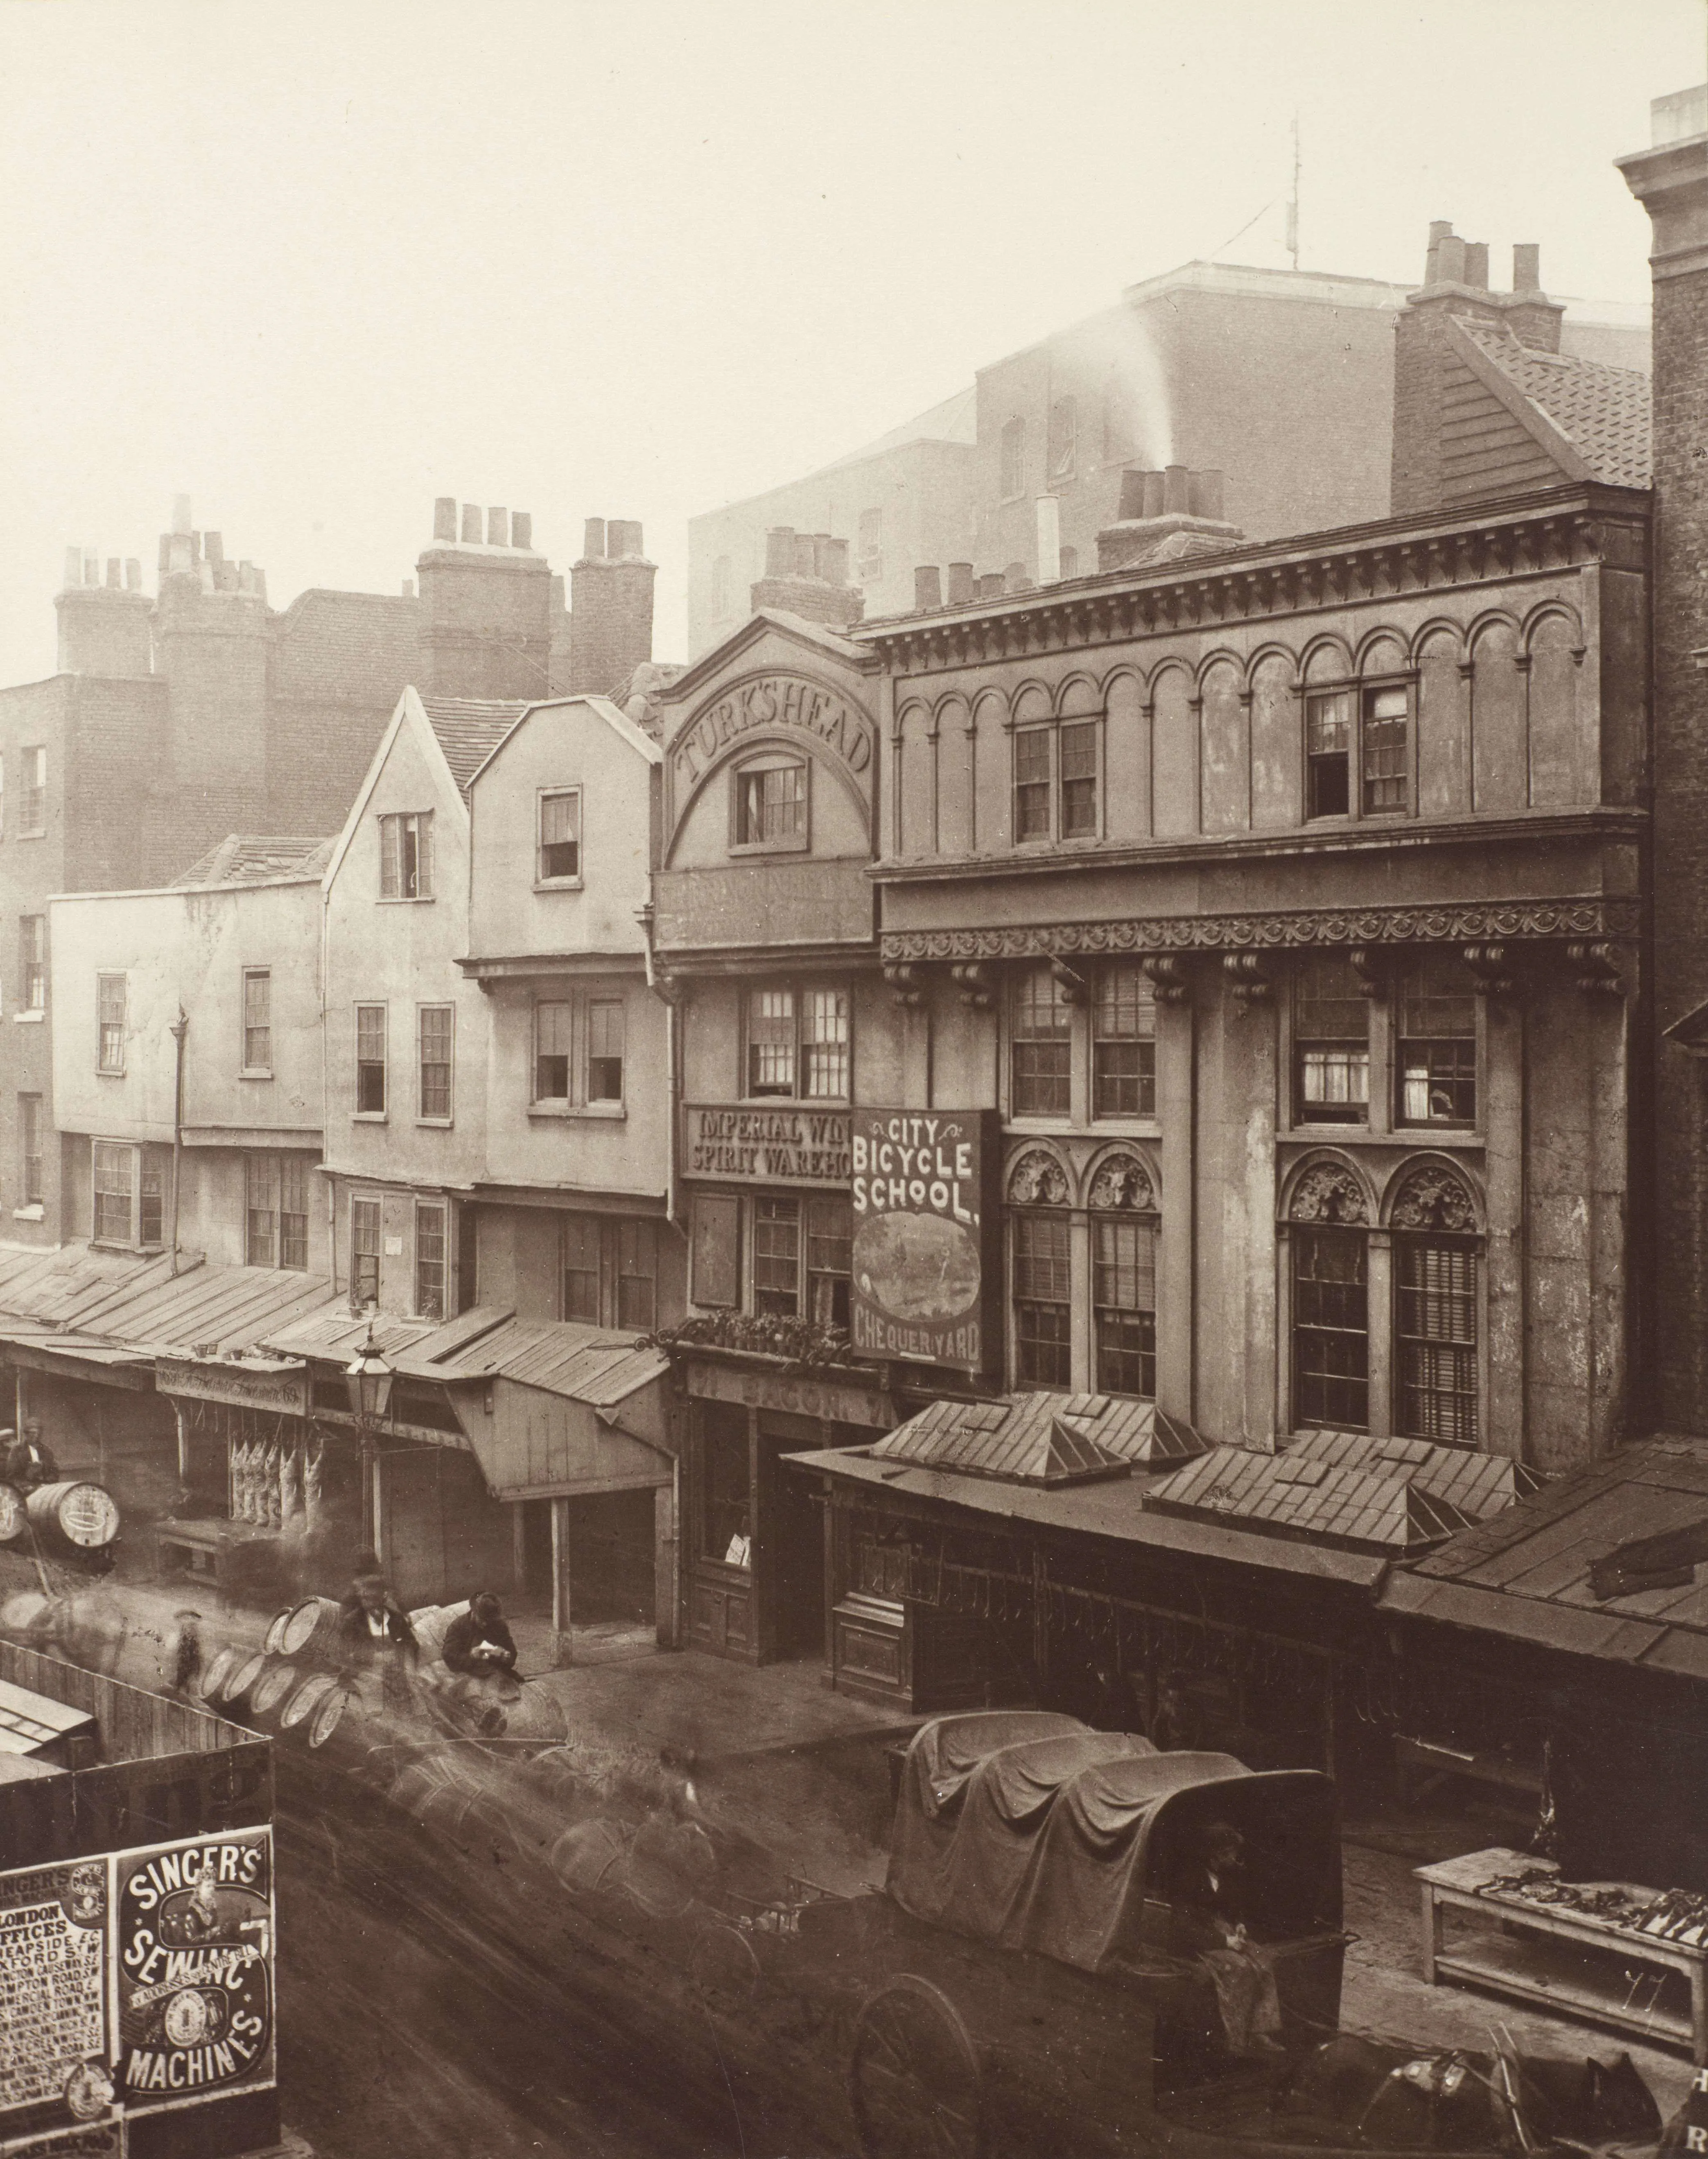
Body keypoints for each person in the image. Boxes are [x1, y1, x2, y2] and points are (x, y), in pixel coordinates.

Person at [1169, 1820, 1285, 2059]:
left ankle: (1259, 2031)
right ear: (1217, 1855)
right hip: (1196, 1944)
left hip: (1223, 1934)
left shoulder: (1226, 1877)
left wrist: (1239, 1926)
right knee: (1240, 1968)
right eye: (1232, 1853)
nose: (1235, 1858)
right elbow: (1183, 1926)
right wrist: (1224, 1943)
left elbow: (1233, 1910)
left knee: (1264, 1959)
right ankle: (1236, 2039)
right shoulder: (1189, 1878)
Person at [338, 1555, 418, 1714]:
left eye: (374, 1599)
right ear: (361, 1597)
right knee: (375, 1700)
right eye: (365, 1598)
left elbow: (410, 1646)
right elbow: (345, 1653)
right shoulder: (352, 1621)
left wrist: (408, 1668)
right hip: (366, 1672)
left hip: (397, 1672)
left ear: (383, 1597)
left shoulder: (395, 1619)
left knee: (413, 1698)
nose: (369, 1602)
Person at [442, 1591, 521, 1705]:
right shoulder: (458, 1626)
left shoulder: (499, 1626)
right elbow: (449, 1657)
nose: (485, 1624)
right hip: (467, 1674)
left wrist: (503, 1655)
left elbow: (512, 1655)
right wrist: (472, 1656)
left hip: (495, 1674)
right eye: (482, 1619)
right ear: (473, 1612)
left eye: (489, 1621)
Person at [1, 1422, 57, 1491]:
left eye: (38, 1433)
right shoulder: (17, 1451)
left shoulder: (47, 1450)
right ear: (26, 1435)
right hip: (26, 1490)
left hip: (46, 1489)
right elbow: (13, 1477)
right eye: (33, 1433)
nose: (36, 1436)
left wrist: (46, 1484)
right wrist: (29, 1486)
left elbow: (55, 1472)